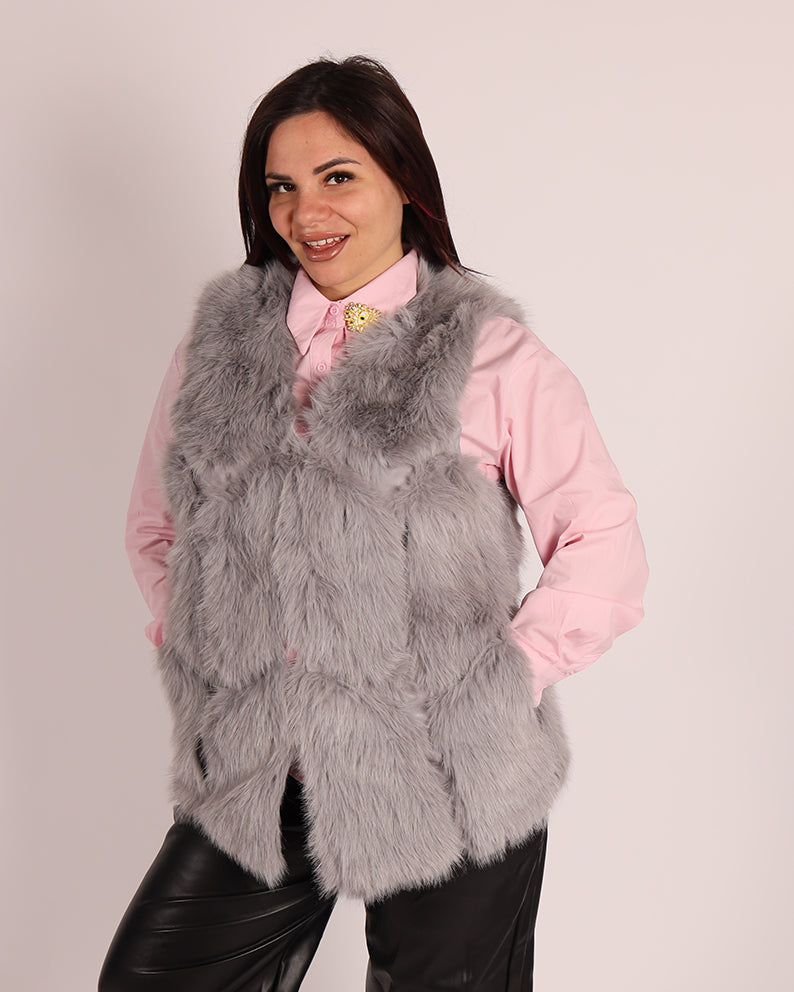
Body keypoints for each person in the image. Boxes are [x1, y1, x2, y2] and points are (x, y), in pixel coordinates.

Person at [99, 55, 648, 991]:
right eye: (281, 186)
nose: (306, 213)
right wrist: (211, 658)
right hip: (260, 771)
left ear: (404, 179)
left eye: (337, 176)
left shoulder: (493, 356)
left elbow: (606, 548)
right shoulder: (219, 348)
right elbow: (157, 528)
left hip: (452, 778)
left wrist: (494, 688)